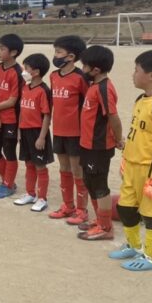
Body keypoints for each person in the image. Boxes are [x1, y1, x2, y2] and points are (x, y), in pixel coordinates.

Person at [110, 50, 152, 271]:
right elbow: (136, 135)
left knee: (151, 214)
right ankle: (133, 245)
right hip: (132, 166)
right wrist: (125, 159)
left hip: (151, 173)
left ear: (151, 75)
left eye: (136, 70)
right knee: (125, 208)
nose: (133, 74)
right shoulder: (141, 100)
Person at [76, 45, 124, 241]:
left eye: (85, 66)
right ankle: (100, 219)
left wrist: (119, 138)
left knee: (99, 185)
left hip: (99, 145)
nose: (82, 70)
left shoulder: (104, 88)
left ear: (95, 70)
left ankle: (105, 228)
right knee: (89, 181)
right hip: (87, 143)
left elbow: (113, 116)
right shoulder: (94, 85)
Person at [48, 36, 91, 224]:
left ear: (71, 56)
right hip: (58, 130)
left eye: (59, 52)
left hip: (76, 133)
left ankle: (82, 210)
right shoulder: (53, 76)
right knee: (63, 169)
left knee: (77, 171)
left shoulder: (81, 77)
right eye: (55, 51)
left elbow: (89, 103)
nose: (55, 55)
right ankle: (68, 205)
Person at [13, 54, 53, 212]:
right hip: (25, 131)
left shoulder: (43, 90)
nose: (23, 71)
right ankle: (30, 193)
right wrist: (19, 130)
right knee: (29, 163)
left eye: (26, 68)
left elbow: (47, 115)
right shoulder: (25, 87)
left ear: (36, 72)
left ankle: (42, 198)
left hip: (37, 132)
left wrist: (42, 137)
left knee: (40, 165)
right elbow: (22, 111)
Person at [0, 34, 24, 199]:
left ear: (13, 52)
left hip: (12, 119)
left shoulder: (18, 72)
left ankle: (8, 184)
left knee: (9, 151)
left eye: (2, 49)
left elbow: (12, 100)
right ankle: (7, 181)